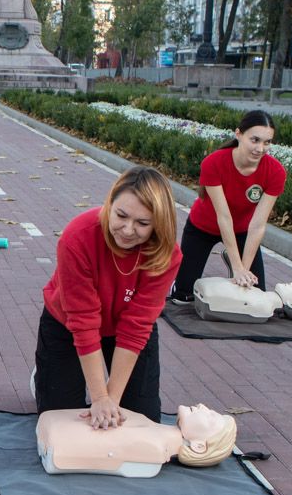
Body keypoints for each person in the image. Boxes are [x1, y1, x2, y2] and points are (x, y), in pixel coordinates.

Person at [33, 166, 182, 428]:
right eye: (121, 215)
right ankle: (44, 376)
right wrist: (99, 397)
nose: (127, 230)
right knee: (62, 418)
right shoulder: (77, 237)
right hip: (68, 323)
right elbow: (83, 320)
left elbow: (137, 324)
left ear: (158, 224)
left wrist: (111, 401)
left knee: (140, 418)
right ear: (109, 203)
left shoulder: (166, 254)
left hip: (126, 328)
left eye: (143, 223)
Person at [170, 110, 287, 303]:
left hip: (242, 231)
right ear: (238, 134)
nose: (260, 148)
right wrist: (237, 266)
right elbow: (223, 216)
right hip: (203, 227)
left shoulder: (275, 172)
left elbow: (258, 225)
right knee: (182, 297)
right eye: (255, 140)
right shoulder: (214, 163)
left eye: (267, 142)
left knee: (253, 294)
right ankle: (181, 283)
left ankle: (233, 259)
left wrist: (244, 270)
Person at [36, 403, 236, 477]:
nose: (202, 406)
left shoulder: (153, 447)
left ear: (199, 446)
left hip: (57, 438)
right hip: (54, 428)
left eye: (210, 416)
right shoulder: (148, 426)